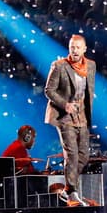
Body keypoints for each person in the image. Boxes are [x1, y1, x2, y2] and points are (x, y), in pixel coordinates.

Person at [43, 34, 96, 202]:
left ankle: (67, 188)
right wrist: (65, 104)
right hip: (64, 116)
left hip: (82, 116)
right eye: (72, 47)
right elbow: (49, 90)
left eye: (78, 47)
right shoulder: (59, 66)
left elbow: (89, 89)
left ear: (84, 49)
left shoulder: (91, 65)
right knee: (71, 154)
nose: (74, 50)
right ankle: (72, 191)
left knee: (83, 156)